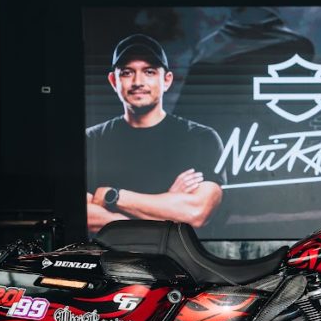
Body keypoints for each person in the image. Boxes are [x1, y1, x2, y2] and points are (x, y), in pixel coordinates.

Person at [86, 34, 225, 234]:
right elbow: (85, 215)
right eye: (127, 73)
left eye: (149, 72)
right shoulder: (91, 140)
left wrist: (112, 196)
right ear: (113, 81)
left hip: (176, 254)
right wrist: (167, 207)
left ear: (167, 80)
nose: (138, 82)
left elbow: (196, 212)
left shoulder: (201, 138)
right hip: (112, 254)